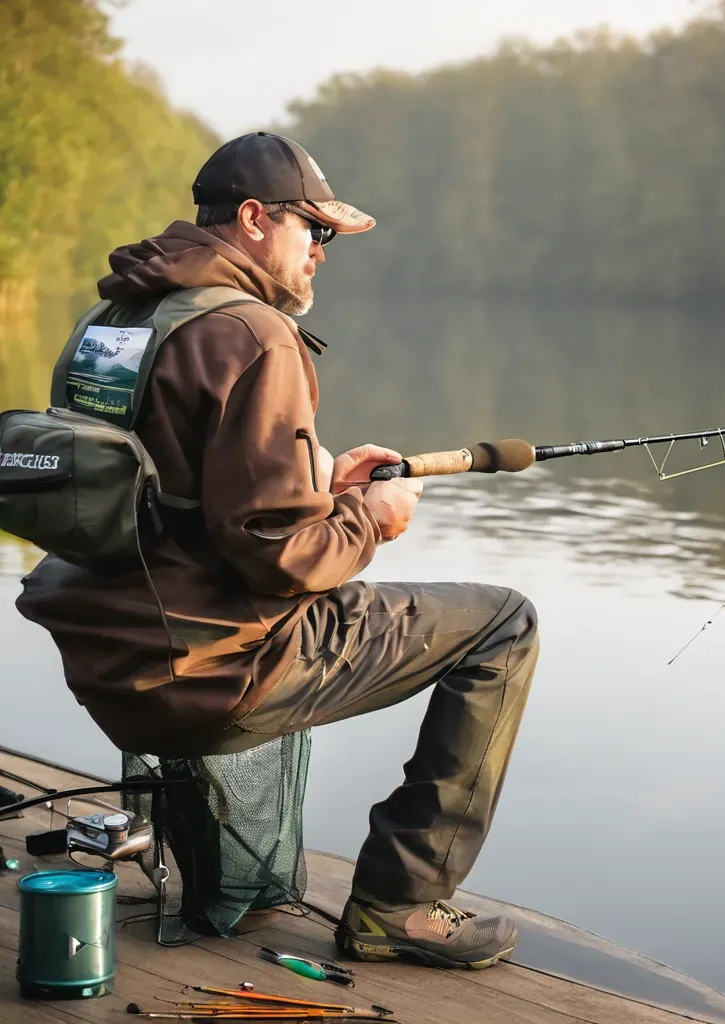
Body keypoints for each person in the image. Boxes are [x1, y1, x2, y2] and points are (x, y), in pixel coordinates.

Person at [16, 132, 540, 970]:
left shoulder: (111, 321)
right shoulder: (253, 334)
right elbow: (281, 557)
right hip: (207, 674)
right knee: (504, 624)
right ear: (256, 219)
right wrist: (374, 516)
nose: (322, 253)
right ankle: (399, 906)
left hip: (109, 664)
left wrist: (323, 484)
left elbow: (155, 499)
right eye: (315, 230)